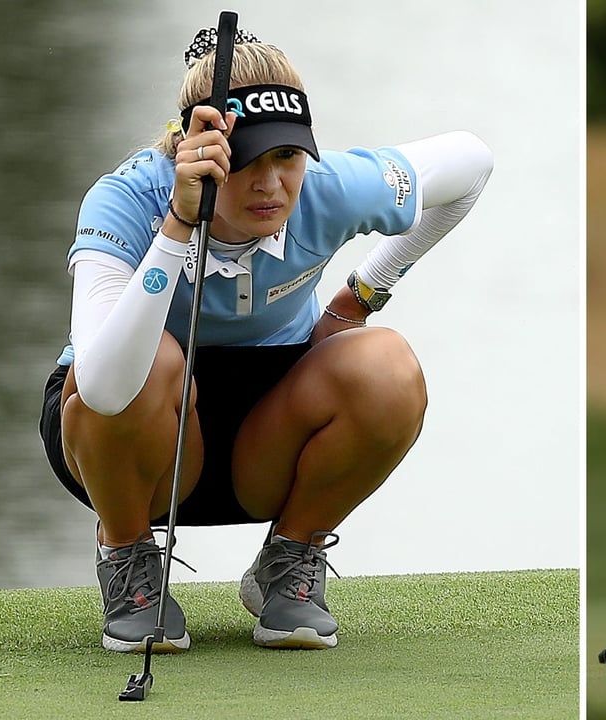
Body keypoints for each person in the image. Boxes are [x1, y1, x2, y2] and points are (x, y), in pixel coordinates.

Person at [38, 27, 493, 653]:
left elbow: (471, 164)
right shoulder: (125, 202)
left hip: (272, 430)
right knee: (152, 362)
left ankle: (290, 560)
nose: (271, 185)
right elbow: (103, 387)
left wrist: (363, 293)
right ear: (190, 152)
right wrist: (176, 225)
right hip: (124, 443)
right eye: (247, 161)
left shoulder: (330, 188)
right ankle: (127, 562)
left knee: (387, 365)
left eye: (287, 157)